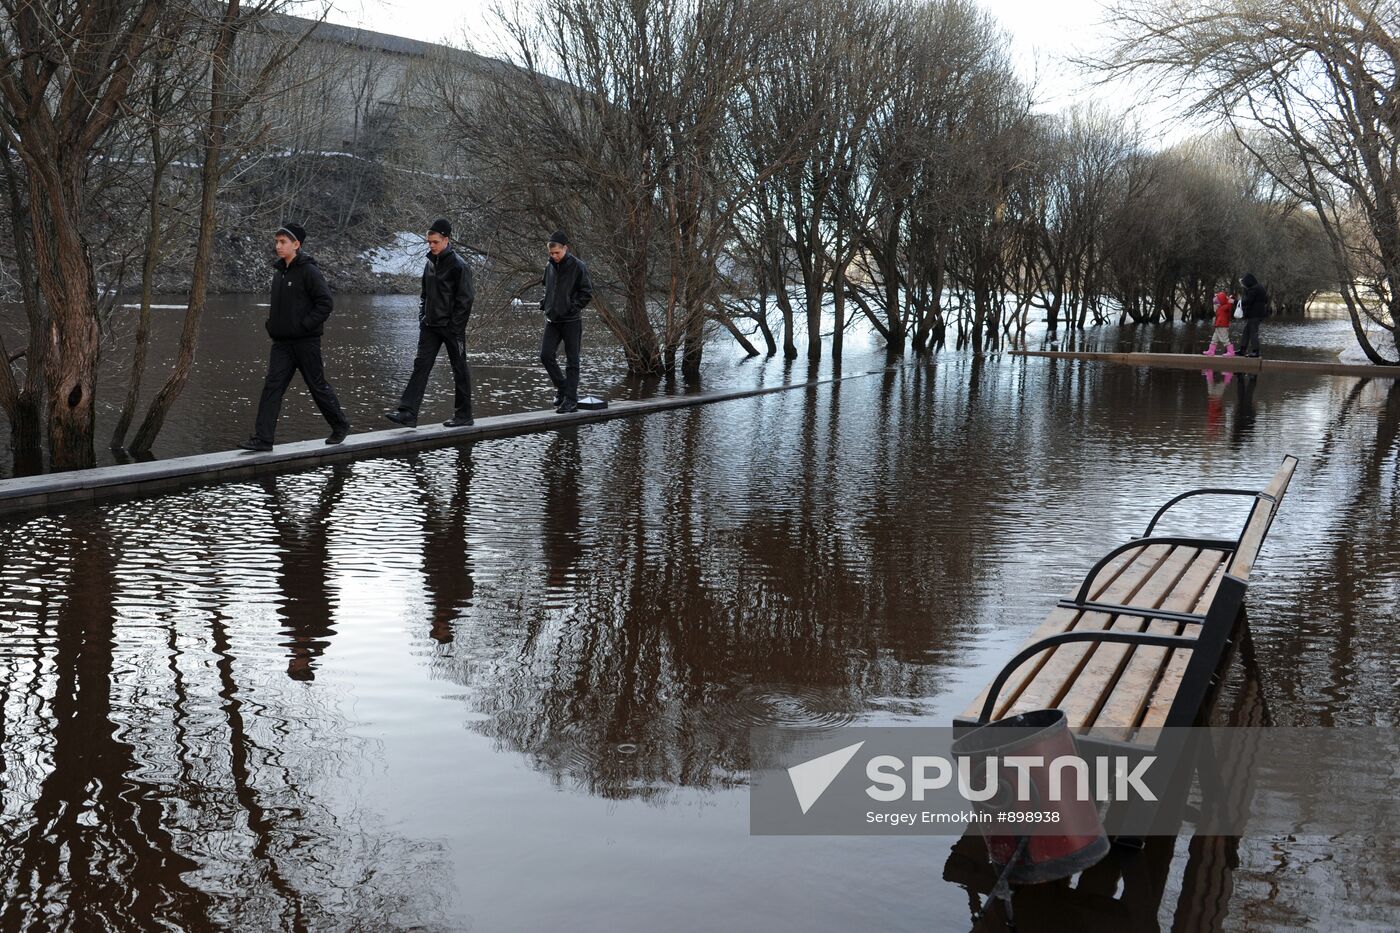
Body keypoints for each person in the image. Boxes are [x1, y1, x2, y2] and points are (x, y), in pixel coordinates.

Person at [238, 223, 351, 452]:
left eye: (283, 242)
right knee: (272, 387)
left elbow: (325, 304)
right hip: (281, 343)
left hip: (306, 342)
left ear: (296, 245)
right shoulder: (279, 272)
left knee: (317, 386)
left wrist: (304, 326)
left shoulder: (309, 271)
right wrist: (272, 326)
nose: (278, 246)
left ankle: (340, 425)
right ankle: (263, 439)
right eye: (277, 241)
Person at [386, 218, 476, 428]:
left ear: (446, 240)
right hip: (430, 326)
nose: (431, 245)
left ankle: (464, 415)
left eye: (435, 242)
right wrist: (422, 317)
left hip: (452, 328)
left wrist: (455, 327)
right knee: (421, 367)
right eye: (429, 242)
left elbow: (466, 299)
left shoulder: (459, 265)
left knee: (459, 369)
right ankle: (408, 413)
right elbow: (424, 295)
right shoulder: (429, 263)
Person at [539, 230, 593, 413]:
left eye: (557, 253)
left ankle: (571, 400)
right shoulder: (549, 266)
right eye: (551, 254)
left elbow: (586, 293)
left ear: (565, 249)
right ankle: (562, 388)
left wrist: (572, 306)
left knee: (572, 361)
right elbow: (547, 288)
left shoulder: (578, 266)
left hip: (571, 320)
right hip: (552, 319)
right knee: (545, 356)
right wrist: (545, 303)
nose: (554, 256)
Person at [1238, 272, 1270, 358]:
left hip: (1255, 315)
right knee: (1246, 332)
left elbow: (1247, 301)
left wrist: (1235, 302)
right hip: (1258, 314)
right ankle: (1242, 350)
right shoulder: (1260, 288)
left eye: (1244, 283)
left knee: (1253, 332)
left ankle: (1256, 352)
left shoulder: (1254, 289)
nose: (1244, 285)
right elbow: (1266, 300)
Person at [1203, 291, 1235, 357]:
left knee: (1224, 339)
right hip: (1218, 325)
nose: (1216, 304)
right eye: (1216, 303)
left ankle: (1231, 352)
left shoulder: (1225, 307)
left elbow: (1229, 306)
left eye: (1218, 302)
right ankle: (1211, 351)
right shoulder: (1219, 308)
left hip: (1222, 326)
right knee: (1214, 339)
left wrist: (1229, 300)